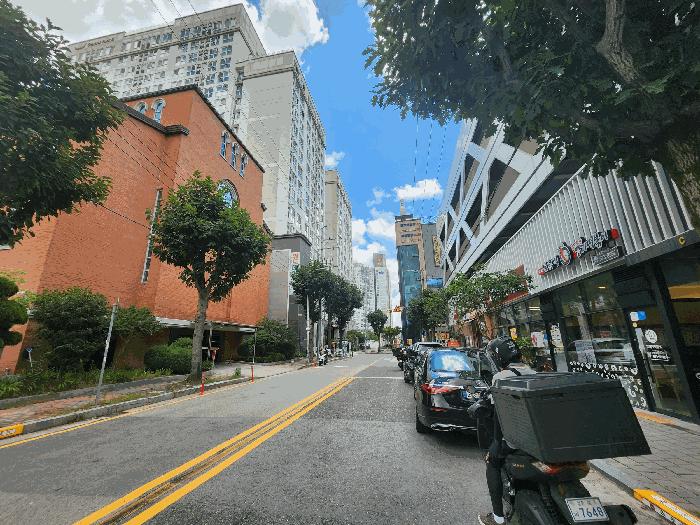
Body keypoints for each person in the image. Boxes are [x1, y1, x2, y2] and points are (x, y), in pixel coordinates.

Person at [478, 337, 535, 525]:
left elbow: (497, 415)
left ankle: (498, 518)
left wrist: (496, 444)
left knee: (492, 462)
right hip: (536, 439)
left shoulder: (501, 378)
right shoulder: (533, 373)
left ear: (497, 358)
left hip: (514, 440)